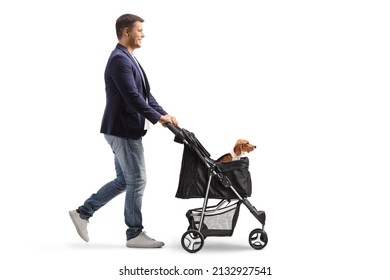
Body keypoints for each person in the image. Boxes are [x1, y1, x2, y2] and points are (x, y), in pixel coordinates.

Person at [69, 13, 178, 248]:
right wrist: (157, 117)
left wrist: (164, 115)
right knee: (137, 180)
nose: (143, 34)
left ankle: (82, 213)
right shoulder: (119, 59)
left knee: (124, 180)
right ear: (126, 32)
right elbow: (131, 97)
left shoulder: (128, 57)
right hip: (122, 130)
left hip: (122, 129)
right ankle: (134, 234)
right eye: (139, 30)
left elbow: (145, 95)